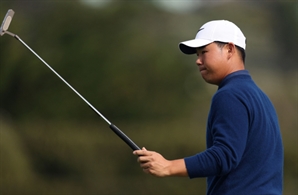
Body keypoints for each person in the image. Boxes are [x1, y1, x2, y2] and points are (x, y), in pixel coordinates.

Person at [133, 20, 283, 194]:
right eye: (197, 54)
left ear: (229, 49)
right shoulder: (260, 96)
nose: (198, 61)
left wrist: (168, 166)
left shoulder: (229, 94)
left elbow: (224, 156)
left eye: (204, 52)